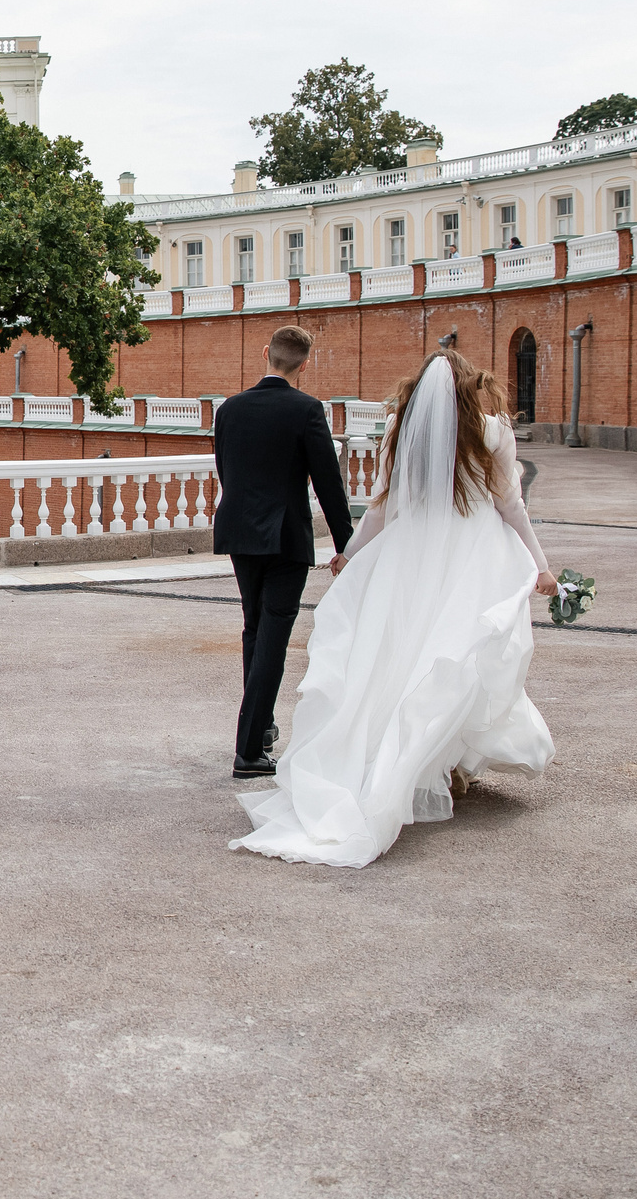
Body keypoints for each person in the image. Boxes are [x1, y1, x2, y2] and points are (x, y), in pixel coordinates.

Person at [231, 350, 558, 868]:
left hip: (410, 554)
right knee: (461, 654)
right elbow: (510, 504)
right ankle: (443, 763)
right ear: (469, 386)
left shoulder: (402, 432)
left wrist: (350, 555)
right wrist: (541, 565)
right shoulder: (493, 431)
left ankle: (426, 761)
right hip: (472, 553)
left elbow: (383, 507)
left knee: (402, 655)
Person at [212, 326, 356, 780]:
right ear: (304, 365)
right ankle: (249, 750)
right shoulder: (307, 410)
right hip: (285, 538)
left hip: (240, 533)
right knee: (272, 637)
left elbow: (226, 470)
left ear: (265, 354)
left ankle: (263, 726)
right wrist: (346, 546)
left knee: (254, 629)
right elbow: (328, 484)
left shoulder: (229, 410)